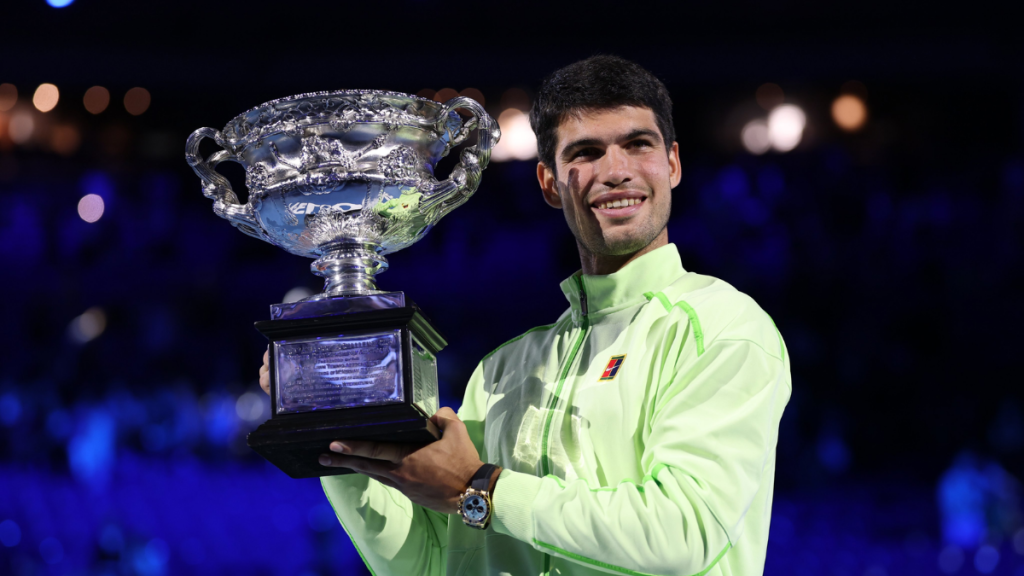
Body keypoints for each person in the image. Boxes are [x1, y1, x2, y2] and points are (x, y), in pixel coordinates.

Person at [259, 55, 791, 576]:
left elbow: (684, 534)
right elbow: (425, 565)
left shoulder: (722, 328)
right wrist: (340, 433)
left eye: (637, 144)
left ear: (671, 164)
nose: (616, 171)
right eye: (585, 152)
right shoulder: (501, 370)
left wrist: (482, 487)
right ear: (550, 183)